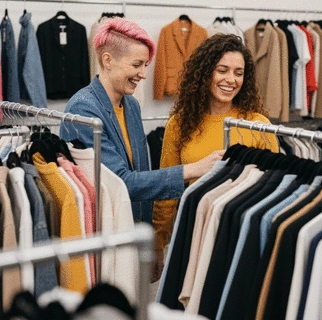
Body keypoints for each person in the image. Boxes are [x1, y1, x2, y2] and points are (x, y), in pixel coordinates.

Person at [59, 18, 224, 274]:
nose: (144, 74)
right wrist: (192, 170)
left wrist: (152, 244)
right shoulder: (83, 110)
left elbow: (142, 172)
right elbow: (121, 182)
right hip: (105, 237)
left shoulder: (131, 105)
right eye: (137, 65)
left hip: (133, 233)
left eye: (145, 65)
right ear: (107, 60)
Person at [154, 33, 279, 279]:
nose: (231, 80)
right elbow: (167, 191)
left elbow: (274, 193)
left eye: (238, 73)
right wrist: (158, 243)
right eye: (222, 70)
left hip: (244, 234)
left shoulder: (258, 125)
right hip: (193, 230)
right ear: (205, 72)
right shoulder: (179, 124)